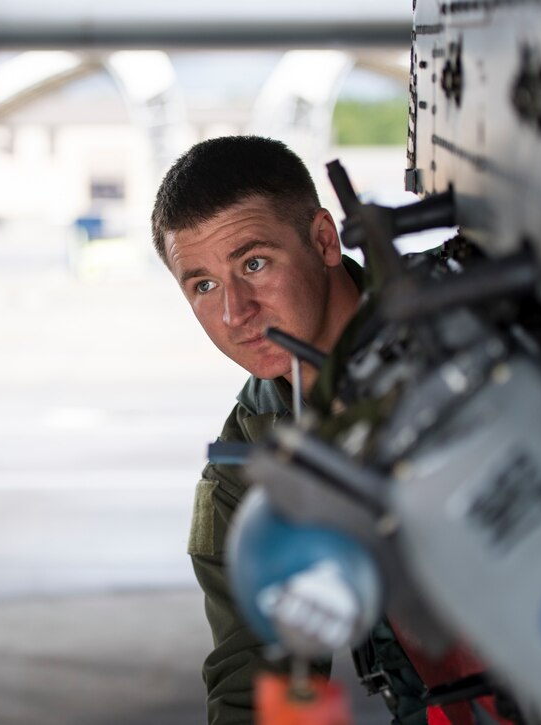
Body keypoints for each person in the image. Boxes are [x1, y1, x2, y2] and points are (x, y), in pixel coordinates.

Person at [150, 135, 363, 725]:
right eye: (204, 285)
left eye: (254, 263)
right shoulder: (245, 471)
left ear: (323, 240)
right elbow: (262, 679)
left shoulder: (456, 345)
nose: (235, 313)